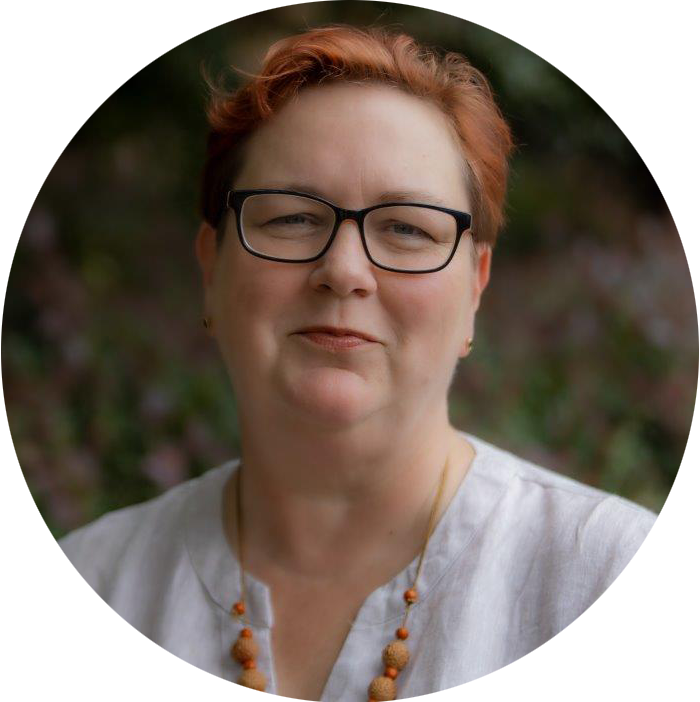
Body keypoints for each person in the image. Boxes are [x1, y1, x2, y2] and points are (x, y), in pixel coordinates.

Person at [57, 24, 658, 701]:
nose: (344, 271)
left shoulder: (598, 571)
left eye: (407, 227)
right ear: (211, 268)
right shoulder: (100, 577)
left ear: (474, 288)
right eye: (291, 218)